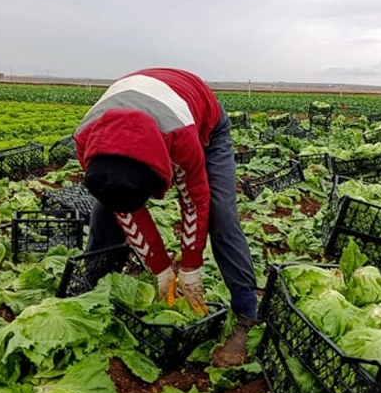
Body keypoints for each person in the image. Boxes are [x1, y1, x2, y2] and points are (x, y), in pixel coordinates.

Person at [73, 68, 257, 367]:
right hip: (144, 110)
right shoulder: (86, 138)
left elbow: (194, 202)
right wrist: (160, 268)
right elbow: (123, 205)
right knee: (105, 208)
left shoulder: (181, 138)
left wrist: (190, 266)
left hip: (201, 121)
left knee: (221, 214)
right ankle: (94, 286)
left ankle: (247, 313)